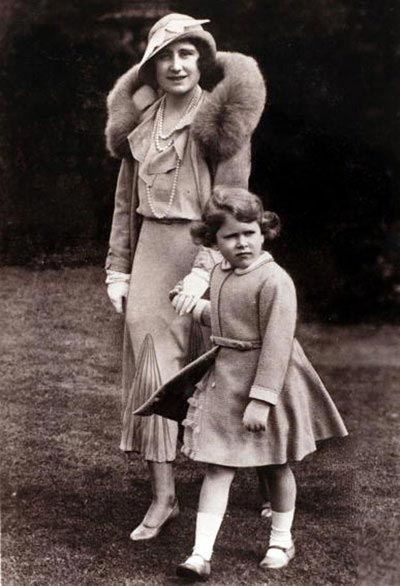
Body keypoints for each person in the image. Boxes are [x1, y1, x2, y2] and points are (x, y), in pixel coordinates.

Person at [104, 13, 266, 540]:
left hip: (215, 258)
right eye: (165, 56)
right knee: (155, 372)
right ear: (151, 66)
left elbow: (232, 208)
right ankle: (164, 498)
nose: (176, 65)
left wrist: (204, 273)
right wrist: (118, 267)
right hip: (152, 255)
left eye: (187, 54)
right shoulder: (141, 125)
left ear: (202, 60)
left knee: (233, 367)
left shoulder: (221, 126)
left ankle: (268, 475)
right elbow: (125, 205)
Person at [172, 187, 348, 581]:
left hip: (270, 380)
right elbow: (227, 319)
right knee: (218, 465)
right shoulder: (219, 273)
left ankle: (281, 540)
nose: (242, 243)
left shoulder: (274, 281)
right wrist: (196, 307)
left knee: (275, 465)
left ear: (263, 230)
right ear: (212, 242)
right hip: (227, 377)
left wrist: (262, 400)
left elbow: (276, 343)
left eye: (249, 232)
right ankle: (200, 554)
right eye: (230, 236)